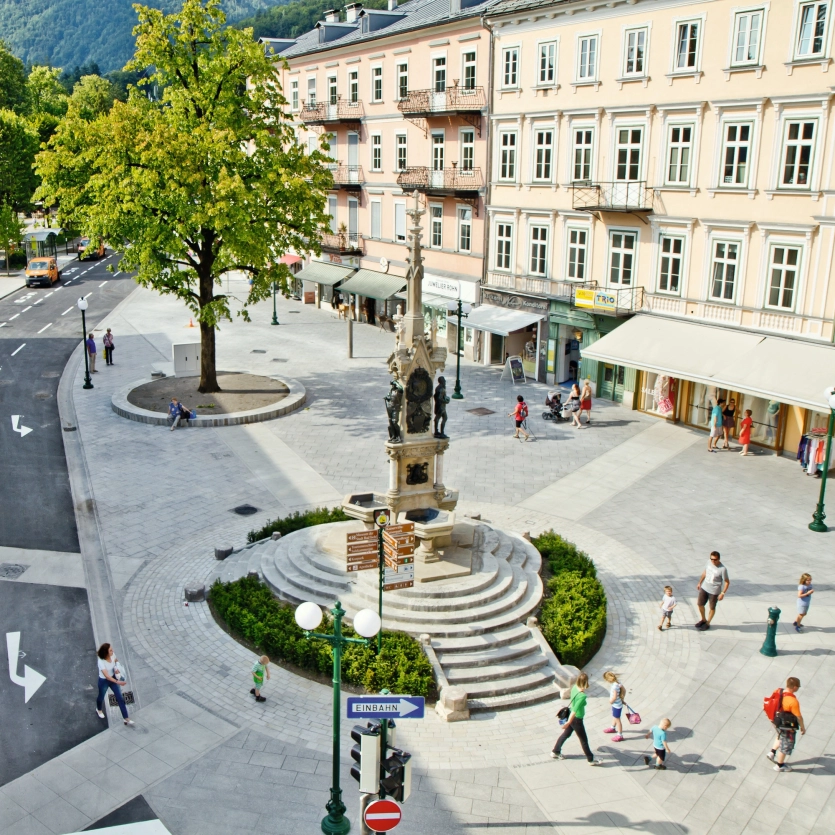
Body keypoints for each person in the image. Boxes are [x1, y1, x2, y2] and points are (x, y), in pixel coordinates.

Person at [551, 673, 602, 765]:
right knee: (583, 740)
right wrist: (568, 722)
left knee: (565, 735)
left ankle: (555, 751)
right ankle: (590, 759)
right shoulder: (582, 696)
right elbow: (575, 710)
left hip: (572, 716)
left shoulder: (574, 687)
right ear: (586, 682)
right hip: (577, 719)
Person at [766, 677, 805, 772]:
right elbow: (798, 717)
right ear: (795, 687)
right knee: (786, 744)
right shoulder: (793, 701)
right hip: (786, 725)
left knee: (780, 735)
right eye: (798, 687)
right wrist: (802, 728)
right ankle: (779, 765)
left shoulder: (778, 691)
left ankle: (772, 752)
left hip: (776, 720)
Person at [96, 642, 134, 726]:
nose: (112, 651)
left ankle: (126, 718)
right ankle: (99, 709)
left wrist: (116, 668)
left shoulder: (112, 654)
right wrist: (118, 681)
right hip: (104, 681)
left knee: (120, 698)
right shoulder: (101, 661)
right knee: (101, 697)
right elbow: (106, 676)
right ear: (105, 653)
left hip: (113, 677)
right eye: (110, 650)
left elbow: (116, 660)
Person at [695, 551, 730, 630]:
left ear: (719, 559)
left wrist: (722, 593)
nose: (713, 561)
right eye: (711, 559)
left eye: (715, 560)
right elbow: (705, 572)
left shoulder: (723, 569)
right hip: (704, 587)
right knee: (700, 604)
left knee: (712, 608)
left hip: (714, 591)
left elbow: (727, 582)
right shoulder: (708, 562)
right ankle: (703, 619)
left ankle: (708, 623)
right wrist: (700, 582)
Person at [602, 671, 625, 742]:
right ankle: (612, 727)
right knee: (615, 717)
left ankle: (620, 735)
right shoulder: (618, 683)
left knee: (618, 719)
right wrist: (622, 699)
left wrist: (611, 701)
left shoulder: (614, 686)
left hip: (616, 705)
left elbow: (614, 697)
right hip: (618, 704)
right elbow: (624, 690)